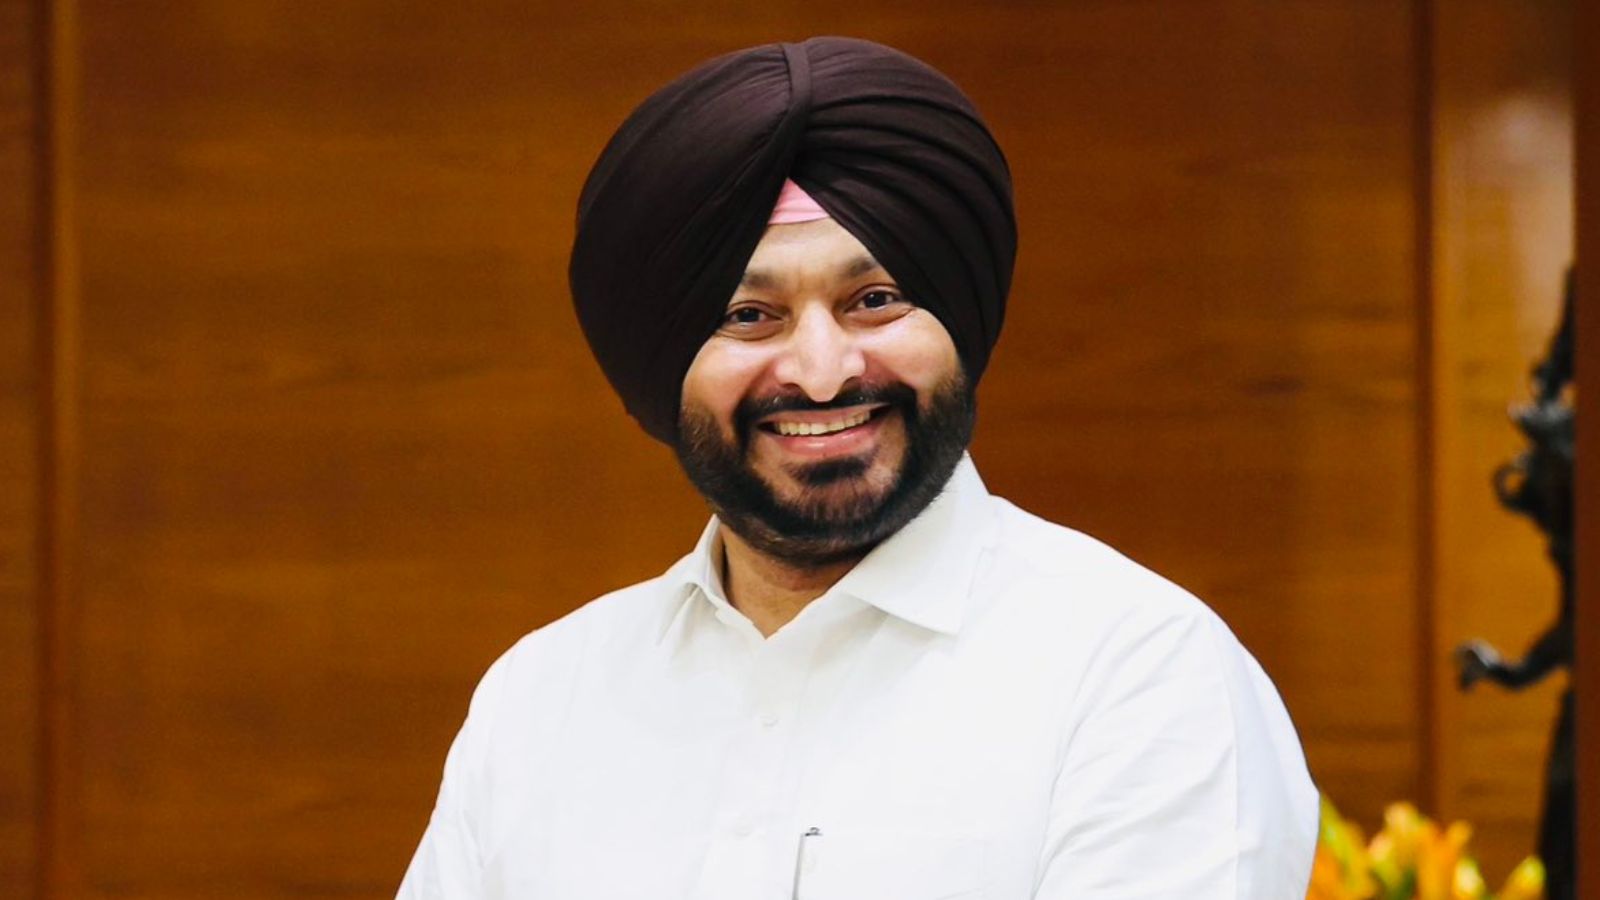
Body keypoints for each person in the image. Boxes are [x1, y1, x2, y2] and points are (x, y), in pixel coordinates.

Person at [398, 37, 1317, 900]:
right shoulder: (543, 699)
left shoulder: (1137, 675)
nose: (822, 371)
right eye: (749, 316)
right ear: (662, 357)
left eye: (874, 300)